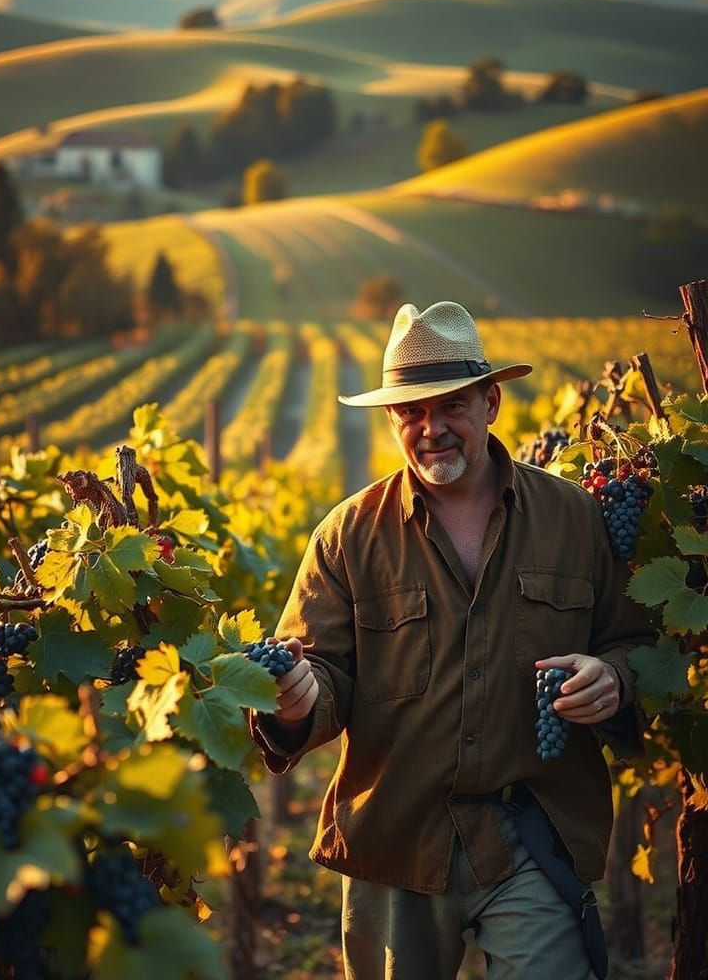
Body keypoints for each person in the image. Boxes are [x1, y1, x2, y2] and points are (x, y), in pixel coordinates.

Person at [249, 301, 655, 980]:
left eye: (451, 405)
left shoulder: (574, 518)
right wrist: (296, 700)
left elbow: (633, 642)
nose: (431, 428)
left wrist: (613, 679)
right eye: (411, 412)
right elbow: (318, 672)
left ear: (491, 402)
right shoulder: (347, 536)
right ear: (391, 419)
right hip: (394, 840)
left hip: (534, 833)